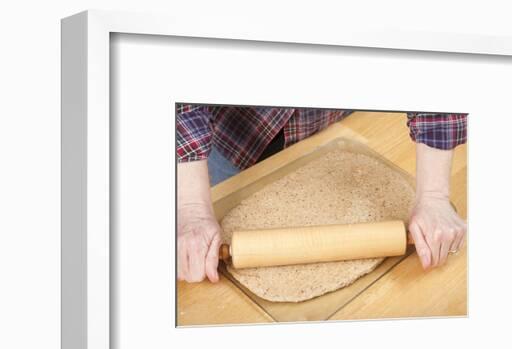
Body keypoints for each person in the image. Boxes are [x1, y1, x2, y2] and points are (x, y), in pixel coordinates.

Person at [176, 105, 467, 283]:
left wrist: (433, 196)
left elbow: (438, 68)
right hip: (223, 138)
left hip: (328, 128)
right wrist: (192, 210)